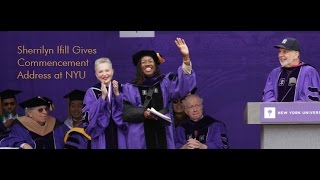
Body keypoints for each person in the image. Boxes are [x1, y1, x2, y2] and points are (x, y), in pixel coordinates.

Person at [122, 37, 196, 149]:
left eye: (151, 61)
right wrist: (143, 113)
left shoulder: (165, 83)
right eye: (144, 62)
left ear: (155, 65)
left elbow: (184, 86)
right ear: (139, 67)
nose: (148, 64)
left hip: (164, 132)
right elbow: (123, 110)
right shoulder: (129, 88)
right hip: (139, 136)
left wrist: (186, 58)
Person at [83, 57, 126, 149]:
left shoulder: (122, 88)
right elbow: (90, 117)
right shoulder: (91, 92)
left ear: (112, 71)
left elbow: (128, 113)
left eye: (107, 70)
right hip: (101, 137)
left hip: (120, 135)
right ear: (96, 74)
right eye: (100, 71)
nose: (104, 74)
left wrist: (118, 95)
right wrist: (102, 98)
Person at [263, 37, 320, 102]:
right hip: (277, 111)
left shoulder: (308, 72)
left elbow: (308, 100)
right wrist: (276, 109)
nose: (280, 55)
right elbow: (268, 97)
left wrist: (289, 110)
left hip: (298, 112)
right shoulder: (274, 73)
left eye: (285, 52)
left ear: (296, 54)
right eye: (279, 51)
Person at [0, 96, 67, 149]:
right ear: (30, 113)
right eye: (40, 110)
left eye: (46, 109)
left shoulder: (56, 124)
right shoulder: (20, 125)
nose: (45, 112)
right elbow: (8, 140)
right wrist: (23, 144)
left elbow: (70, 137)